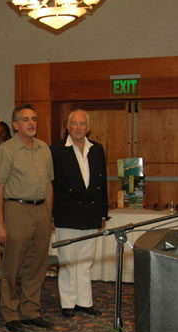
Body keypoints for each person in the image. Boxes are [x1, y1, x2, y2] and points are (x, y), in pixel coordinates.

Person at [0, 104, 54, 332]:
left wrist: (49, 215)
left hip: (41, 211)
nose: (31, 123)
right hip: (16, 209)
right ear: (15, 125)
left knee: (37, 265)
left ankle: (31, 311)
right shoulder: (7, 150)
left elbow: (49, 184)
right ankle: (10, 313)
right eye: (26, 120)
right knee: (12, 265)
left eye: (34, 119)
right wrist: (0, 223)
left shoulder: (44, 148)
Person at [51, 109, 107, 318]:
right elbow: (52, 185)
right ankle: (68, 303)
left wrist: (103, 213)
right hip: (66, 213)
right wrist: (52, 215)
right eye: (74, 124)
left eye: (82, 124)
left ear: (88, 127)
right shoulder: (56, 150)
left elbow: (102, 183)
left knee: (85, 260)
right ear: (67, 126)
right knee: (68, 260)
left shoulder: (97, 149)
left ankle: (84, 302)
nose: (78, 128)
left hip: (91, 213)